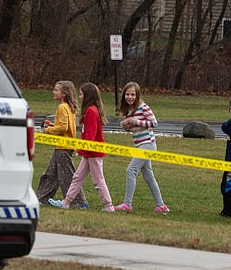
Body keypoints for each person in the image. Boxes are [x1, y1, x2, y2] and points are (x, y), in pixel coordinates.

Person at [48, 83, 115, 211]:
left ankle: (109, 206)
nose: (79, 96)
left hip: (93, 153)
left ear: (87, 96)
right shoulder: (92, 110)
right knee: (77, 177)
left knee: (98, 180)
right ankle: (66, 202)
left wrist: (82, 149)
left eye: (81, 94)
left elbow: (90, 134)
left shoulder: (91, 111)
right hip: (88, 153)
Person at [113, 82, 169, 213]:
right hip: (139, 144)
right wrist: (126, 125)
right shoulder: (129, 110)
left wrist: (135, 121)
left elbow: (154, 123)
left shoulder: (143, 107)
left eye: (133, 94)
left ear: (137, 95)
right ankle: (161, 206)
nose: (130, 97)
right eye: (127, 94)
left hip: (148, 144)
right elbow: (132, 128)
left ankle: (127, 204)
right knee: (149, 176)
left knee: (130, 171)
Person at [36, 81, 88, 208]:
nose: (53, 92)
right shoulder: (68, 107)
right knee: (51, 174)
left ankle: (79, 202)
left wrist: (47, 130)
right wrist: (53, 125)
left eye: (56, 90)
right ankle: (42, 198)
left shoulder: (62, 107)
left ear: (64, 93)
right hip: (62, 146)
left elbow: (63, 128)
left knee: (67, 175)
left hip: (63, 147)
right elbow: (66, 126)